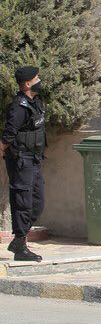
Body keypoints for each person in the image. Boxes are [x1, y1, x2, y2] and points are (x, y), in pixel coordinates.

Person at [1, 66, 46, 262]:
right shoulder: (19, 106)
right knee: (23, 203)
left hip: (33, 159)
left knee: (38, 202)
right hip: (21, 160)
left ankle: (19, 241)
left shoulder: (34, 103)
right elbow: (9, 134)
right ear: (28, 83)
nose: (39, 81)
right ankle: (21, 246)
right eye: (36, 78)